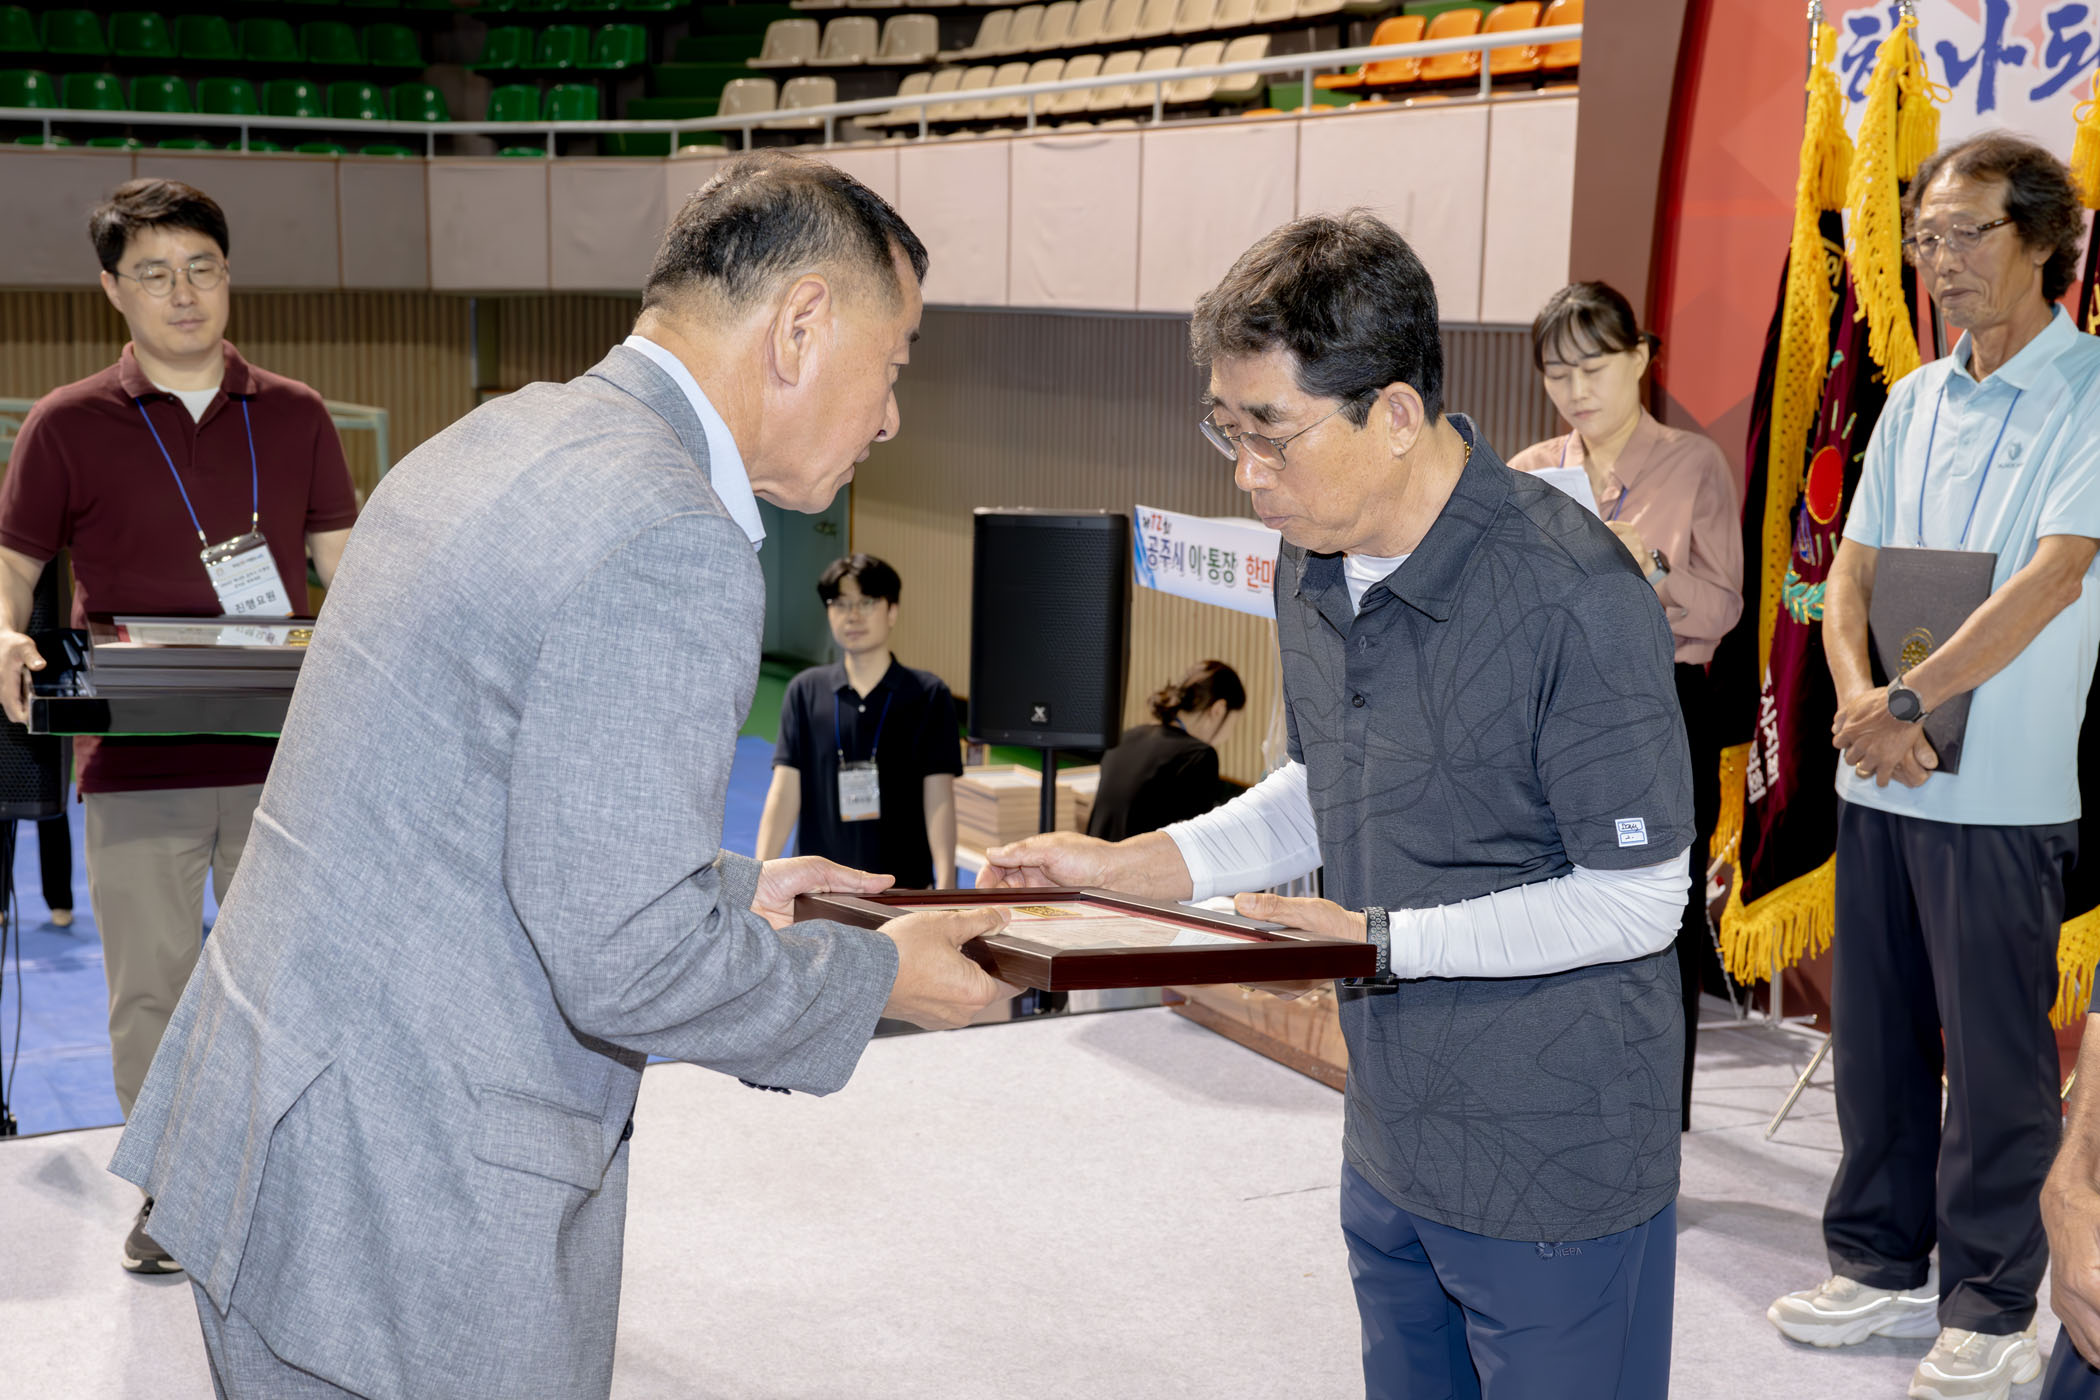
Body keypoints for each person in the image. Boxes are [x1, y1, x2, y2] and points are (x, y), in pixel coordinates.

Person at [106, 153, 1012, 1399]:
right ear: (802, 324)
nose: (892, 415)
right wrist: (878, 977)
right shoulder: (668, 531)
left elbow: (472, 795)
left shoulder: (505, 433)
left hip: (281, 1122)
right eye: (895, 363)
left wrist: (728, 887)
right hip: (402, 1197)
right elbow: (627, 959)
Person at [985, 212, 1693, 1399]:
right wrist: (1130, 865)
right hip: (1392, 1136)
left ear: (1397, 413)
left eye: (1272, 432)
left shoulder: (1575, 592)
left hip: (1555, 1160)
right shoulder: (1309, 556)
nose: (1246, 471)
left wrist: (1379, 939)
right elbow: (1335, 786)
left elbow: (1638, 900)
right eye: (1228, 429)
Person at [1765, 133, 2100, 1400]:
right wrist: (1864, 704)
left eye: (1966, 232)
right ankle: (1879, 1258)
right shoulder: (1910, 398)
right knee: (1877, 1038)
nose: (1938, 259)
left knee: (2000, 1055)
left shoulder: (2090, 388)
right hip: (1881, 772)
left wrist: (1906, 698)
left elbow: (2051, 579)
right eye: (1923, 237)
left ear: (2045, 241)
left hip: (2003, 789)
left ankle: (1996, 1299)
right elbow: (1847, 572)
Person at [0, 178, 359, 1275]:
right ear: (113, 289)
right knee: (151, 991)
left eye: (202, 267)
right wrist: (4, 635)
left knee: (286, 985)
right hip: (133, 761)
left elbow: (348, 575)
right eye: (154, 273)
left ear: (229, 274)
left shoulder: (295, 415)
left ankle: (281, 1180)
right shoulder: (67, 424)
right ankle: (173, 1190)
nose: (183, 292)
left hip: (284, 763)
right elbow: (12, 572)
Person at [1508, 281, 1744, 1133]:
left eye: (1594, 366)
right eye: (1556, 372)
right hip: (1554, 707)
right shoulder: (1530, 472)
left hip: (1662, 704)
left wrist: (1653, 572)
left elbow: (1723, 609)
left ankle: (1652, 1128)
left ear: (1640, 357)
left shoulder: (1693, 462)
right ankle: (1551, 1105)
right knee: (1548, 899)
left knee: (1657, 918)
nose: (1575, 390)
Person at [756, 553, 963, 889]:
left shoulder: (928, 694)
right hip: (819, 887)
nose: (852, 616)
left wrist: (947, 883)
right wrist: (761, 877)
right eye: (840, 604)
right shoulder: (806, 691)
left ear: (892, 611)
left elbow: (939, 796)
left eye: (867, 602)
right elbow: (784, 791)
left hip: (902, 886)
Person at [1086, 659, 1245, 841]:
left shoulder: (1126, 738)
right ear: (1218, 709)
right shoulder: (1199, 755)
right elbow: (1194, 845)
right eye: (1233, 723)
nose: (1228, 735)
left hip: (1095, 857)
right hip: (1138, 860)